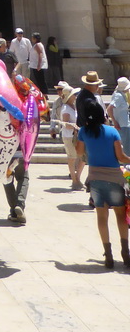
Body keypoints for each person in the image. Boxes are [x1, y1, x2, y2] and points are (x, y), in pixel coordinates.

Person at [76, 98, 130, 268]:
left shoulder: (83, 132)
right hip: (114, 177)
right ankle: (125, 251)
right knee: (120, 215)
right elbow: (120, 157)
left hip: (95, 178)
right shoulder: (112, 132)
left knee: (102, 216)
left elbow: (79, 152)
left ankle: (108, 254)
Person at [59, 86, 84, 190]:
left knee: (82, 157)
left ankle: (77, 178)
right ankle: (74, 180)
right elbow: (65, 124)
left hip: (76, 135)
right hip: (69, 136)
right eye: (74, 95)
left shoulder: (73, 107)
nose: (76, 96)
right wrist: (76, 126)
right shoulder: (66, 108)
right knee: (72, 157)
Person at [107, 76, 130, 157]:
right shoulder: (118, 96)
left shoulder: (120, 94)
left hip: (124, 124)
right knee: (127, 148)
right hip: (123, 124)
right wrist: (115, 121)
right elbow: (109, 108)